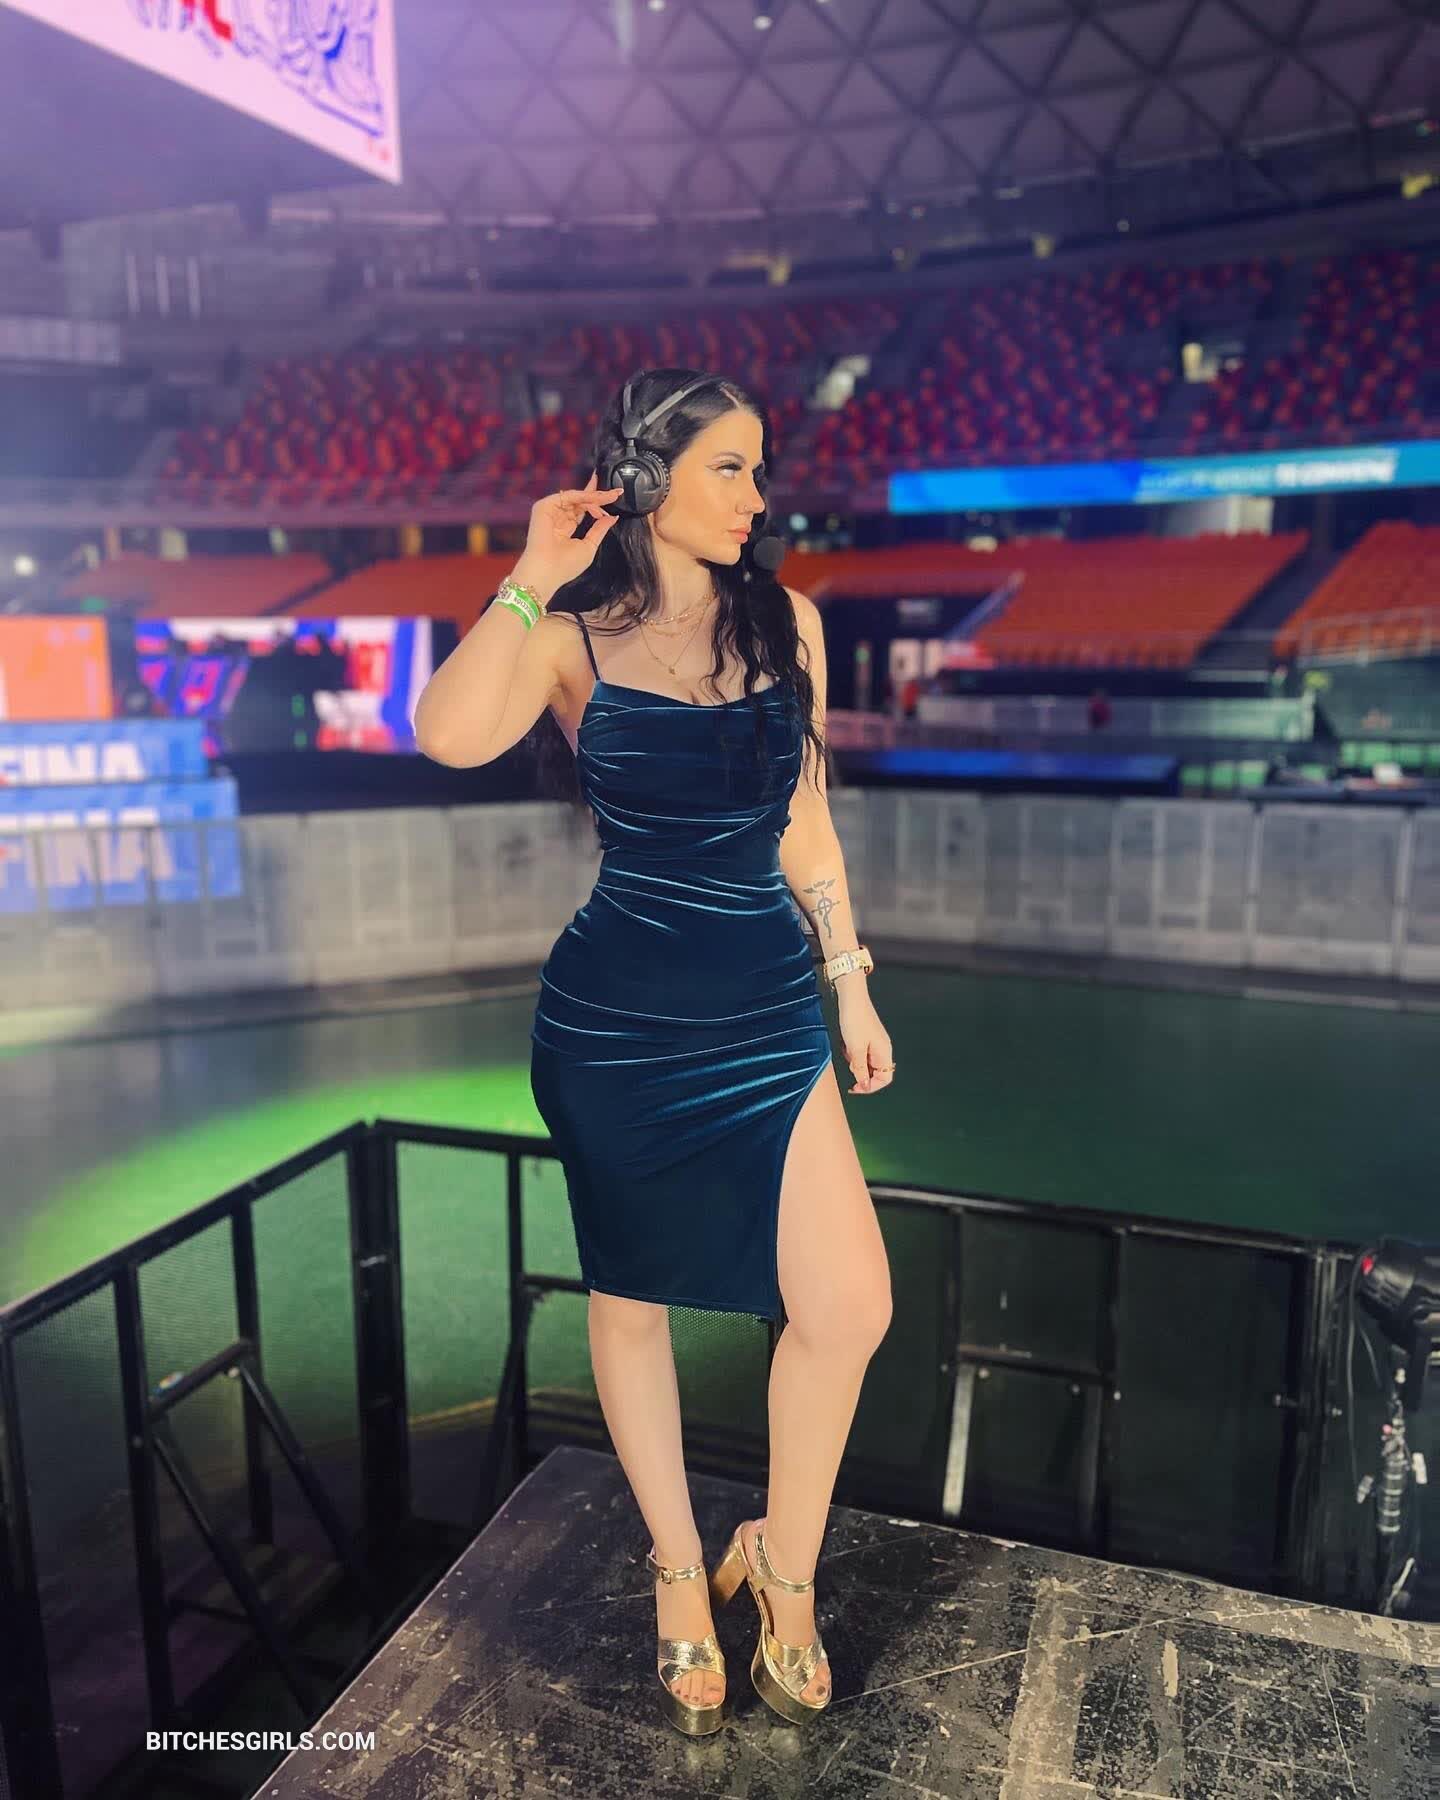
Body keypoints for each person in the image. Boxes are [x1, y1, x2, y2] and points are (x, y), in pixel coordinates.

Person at [413, 368, 895, 1736]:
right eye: (730, 467)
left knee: (849, 1305)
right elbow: (447, 736)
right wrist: (527, 573)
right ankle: (681, 1569)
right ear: (645, 476)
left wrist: (850, 984)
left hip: (768, 1011)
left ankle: (781, 1563)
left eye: (760, 468)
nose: (757, 496)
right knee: (632, 1304)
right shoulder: (567, 634)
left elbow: (806, 821)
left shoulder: (788, 622)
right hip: (615, 1024)